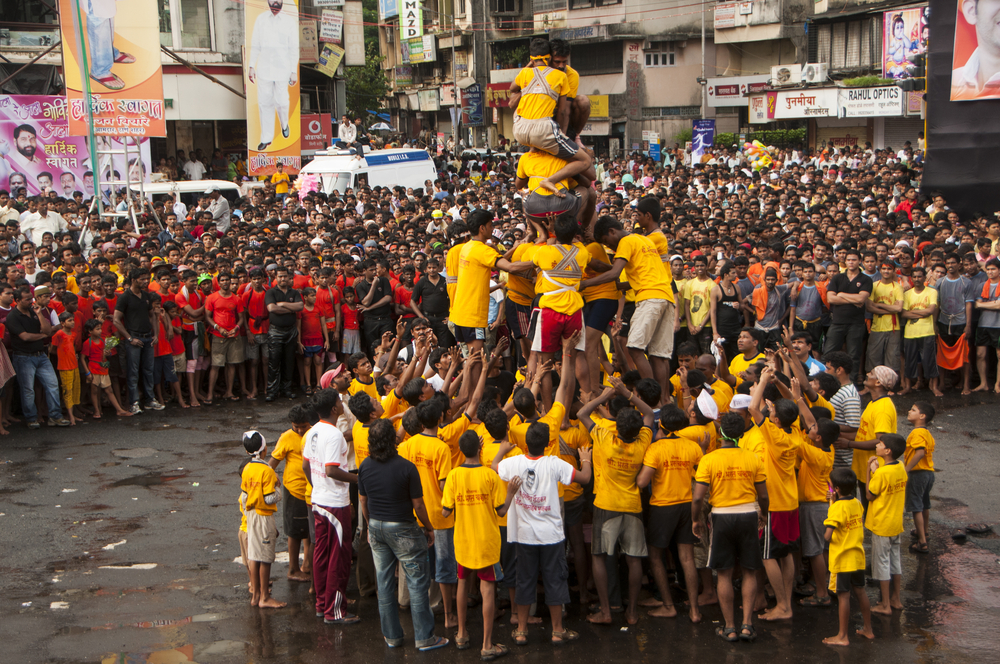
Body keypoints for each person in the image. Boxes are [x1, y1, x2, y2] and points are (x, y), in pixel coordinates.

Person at [359, 419, 449, 651]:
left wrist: (370, 525)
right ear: (394, 440)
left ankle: (392, 636)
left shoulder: (365, 466)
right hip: (404, 528)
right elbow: (418, 505)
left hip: (377, 527)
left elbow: (363, 500)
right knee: (417, 583)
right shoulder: (407, 468)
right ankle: (424, 637)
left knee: (385, 582)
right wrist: (429, 528)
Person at [579, 375, 655, 626]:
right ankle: (632, 612)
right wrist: (628, 394)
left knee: (600, 556)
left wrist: (607, 395)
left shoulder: (604, 437)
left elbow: (582, 414)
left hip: (606, 504)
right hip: (633, 505)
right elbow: (650, 415)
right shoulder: (643, 439)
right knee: (634, 559)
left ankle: (606, 610)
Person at [442, 430, 521, 660]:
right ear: (480, 448)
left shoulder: (454, 475)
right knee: (488, 591)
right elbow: (502, 510)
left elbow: (445, 511)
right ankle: (487, 644)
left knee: (462, 585)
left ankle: (461, 633)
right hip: (486, 542)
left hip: (463, 541)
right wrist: (512, 493)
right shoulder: (490, 476)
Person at [693, 411, 768, 643]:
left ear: (721, 432)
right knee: (749, 570)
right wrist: (763, 514)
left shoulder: (709, 459)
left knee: (723, 574)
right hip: (748, 515)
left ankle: (729, 628)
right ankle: (747, 625)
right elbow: (763, 495)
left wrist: (696, 520)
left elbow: (697, 498)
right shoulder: (753, 458)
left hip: (721, 517)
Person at [636, 404, 704, 622]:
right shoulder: (692, 447)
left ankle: (668, 605)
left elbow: (642, 481)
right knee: (686, 558)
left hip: (662, 506)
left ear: (661, 424)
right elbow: (700, 473)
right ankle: (694, 610)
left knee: (656, 556)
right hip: (686, 505)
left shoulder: (655, 449)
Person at [303, 388, 359, 624]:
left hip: (319, 501)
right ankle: (334, 611)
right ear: (335, 408)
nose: (342, 402)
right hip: (335, 504)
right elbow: (331, 469)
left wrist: (317, 487)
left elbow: (307, 465)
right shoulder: (335, 434)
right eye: (339, 400)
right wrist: (359, 479)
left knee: (322, 554)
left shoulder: (313, 431)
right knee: (338, 557)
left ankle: (322, 603)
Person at [821, 468, 874, 646]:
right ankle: (868, 629)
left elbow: (828, 535)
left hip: (843, 559)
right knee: (860, 591)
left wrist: (831, 508)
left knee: (843, 596)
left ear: (835, 489)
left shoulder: (837, 508)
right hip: (857, 556)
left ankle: (842, 636)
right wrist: (833, 504)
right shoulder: (857, 503)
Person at [6, 286, 70, 428]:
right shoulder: (13, 317)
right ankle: (31, 418)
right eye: (27, 299)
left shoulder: (34, 311)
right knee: (28, 390)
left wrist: (40, 315)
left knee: (52, 384)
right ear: (17, 300)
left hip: (40, 355)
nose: (31, 301)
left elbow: (48, 330)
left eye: (31, 298)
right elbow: (25, 336)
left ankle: (55, 416)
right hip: (23, 357)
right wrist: (43, 336)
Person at [240, 430, 286, 608]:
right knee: (265, 558)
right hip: (263, 516)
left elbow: (244, 496)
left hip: (250, 516)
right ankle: (265, 597)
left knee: (254, 555)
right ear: (265, 450)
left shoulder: (247, 468)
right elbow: (269, 498)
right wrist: (278, 489)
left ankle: (256, 596)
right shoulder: (267, 471)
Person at [269, 404, 314, 582]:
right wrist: (270, 479)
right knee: (294, 532)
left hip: (311, 489)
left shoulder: (313, 433)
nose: (300, 430)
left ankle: (307, 564)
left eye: (304, 425)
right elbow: (273, 462)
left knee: (309, 530)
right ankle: (293, 569)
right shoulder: (287, 437)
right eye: (297, 426)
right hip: (294, 490)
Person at [865, 433, 908, 615]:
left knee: (881, 563)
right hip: (896, 522)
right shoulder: (900, 466)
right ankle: (895, 599)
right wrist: (877, 470)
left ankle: (884, 604)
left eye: (880, 444)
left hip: (881, 524)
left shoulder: (881, 473)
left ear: (887, 451)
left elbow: (869, 495)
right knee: (894, 561)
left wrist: (870, 470)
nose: (877, 445)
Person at [247, 0, 299, 151]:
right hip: (264, 68)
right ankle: (266, 138)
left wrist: (293, 71)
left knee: (282, 101)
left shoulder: (289, 22)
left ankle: (284, 124)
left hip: (283, 68)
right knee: (265, 103)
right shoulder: (261, 20)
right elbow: (255, 44)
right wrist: (251, 66)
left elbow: (293, 48)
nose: (275, 4)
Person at [264, 266, 303, 401]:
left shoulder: (294, 292)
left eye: (285, 276)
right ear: (275, 278)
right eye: (280, 276)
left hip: (291, 330)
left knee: (289, 361)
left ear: (289, 277)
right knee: (274, 362)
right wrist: (289, 309)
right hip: (276, 331)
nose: (282, 279)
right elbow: (271, 308)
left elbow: (300, 306)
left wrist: (282, 304)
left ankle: (286, 389)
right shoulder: (271, 292)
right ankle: (272, 391)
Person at [904, 401, 936, 554]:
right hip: (929, 473)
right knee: (924, 504)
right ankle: (924, 531)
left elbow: (920, 452)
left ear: (922, 416)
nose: (909, 411)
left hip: (917, 474)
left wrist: (906, 469)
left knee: (916, 506)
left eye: (913, 409)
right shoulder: (926, 433)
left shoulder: (917, 433)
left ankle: (922, 541)